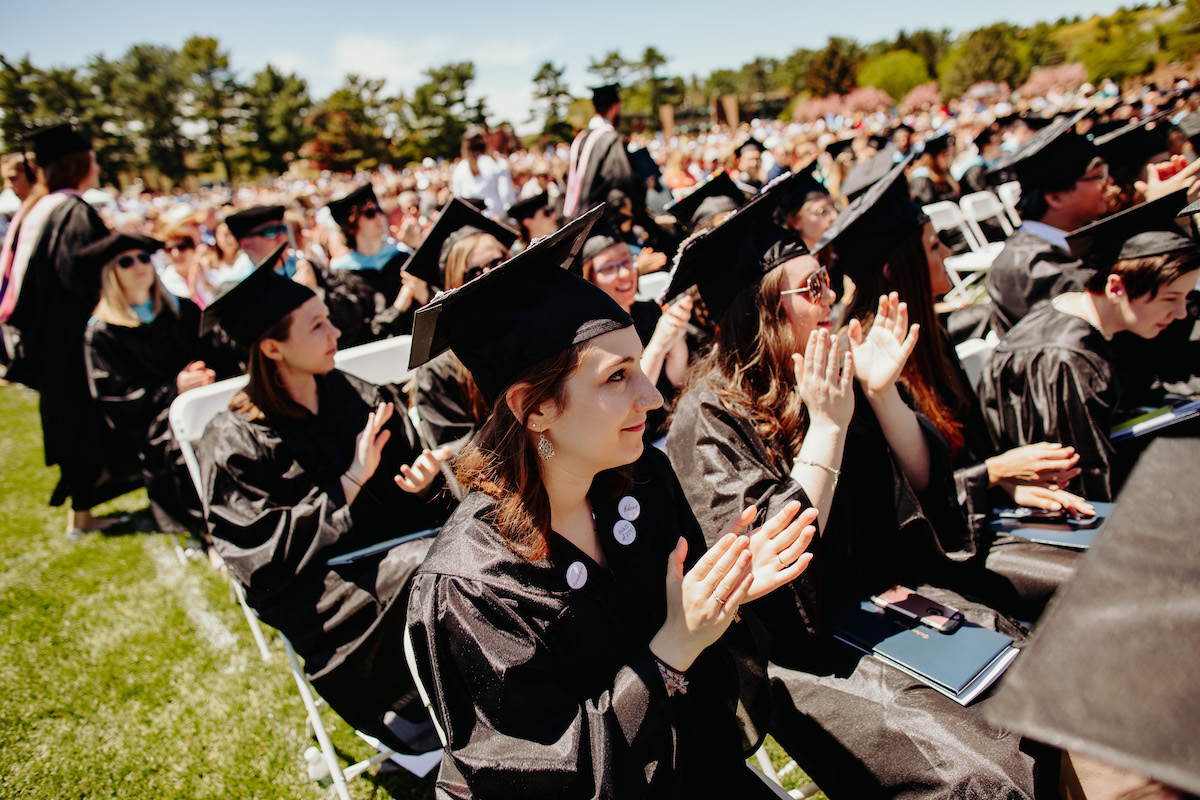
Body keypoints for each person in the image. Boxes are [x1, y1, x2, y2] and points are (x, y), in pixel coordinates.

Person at [405, 207, 818, 798]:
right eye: (617, 377)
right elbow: (537, 774)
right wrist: (674, 646)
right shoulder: (474, 585)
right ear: (535, 408)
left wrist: (722, 595)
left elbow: (707, 673)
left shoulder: (642, 478)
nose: (652, 398)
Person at [665, 165, 1040, 799]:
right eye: (811, 286)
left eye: (826, 280)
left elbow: (924, 489)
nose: (832, 295)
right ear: (764, 313)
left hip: (888, 599)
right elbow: (776, 576)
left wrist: (883, 393)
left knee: (1037, 679)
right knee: (975, 773)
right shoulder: (707, 418)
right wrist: (828, 427)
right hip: (806, 653)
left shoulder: (829, 371)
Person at [196, 245, 455, 755]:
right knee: (436, 568)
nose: (336, 333)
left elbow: (412, 507)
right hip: (323, 598)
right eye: (316, 326)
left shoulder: (360, 397)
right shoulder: (234, 440)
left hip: (397, 555)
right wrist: (352, 480)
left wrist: (422, 486)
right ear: (272, 348)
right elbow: (263, 564)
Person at [830, 160, 1091, 619]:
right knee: (1089, 580)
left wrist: (1005, 482)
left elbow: (966, 448)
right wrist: (990, 475)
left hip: (976, 519)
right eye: (933, 246)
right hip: (930, 558)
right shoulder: (861, 362)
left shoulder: (928, 332)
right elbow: (893, 506)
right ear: (896, 269)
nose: (948, 252)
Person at [978, 191, 1200, 503]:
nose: (1180, 313)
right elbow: (1087, 484)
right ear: (1116, 288)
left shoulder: (1080, 319)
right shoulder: (1066, 360)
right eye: (1170, 298)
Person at [4, 123, 141, 536]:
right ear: (79, 162)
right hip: (72, 346)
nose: (98, 164)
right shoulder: (71, 211)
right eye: (93, 157)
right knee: (85, 427)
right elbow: (82, 275)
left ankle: (80, 518)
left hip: (48, 344)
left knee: (75, 427)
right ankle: (81, 519)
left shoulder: (40, 208)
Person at [81, 233, 228, 537]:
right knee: (178, 449)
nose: (138, 266)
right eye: (126, 261)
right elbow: (117, 397)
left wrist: (205, 374)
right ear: (111, 273)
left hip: (204, 399)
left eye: (144, 258)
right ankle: (206, 530)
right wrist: (175, 388)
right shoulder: (103, 332)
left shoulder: (182, 311)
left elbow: (216, 351)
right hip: (153, 421)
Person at [983, 112, 1112, 336]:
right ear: (1055, 197)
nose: (1108, 183)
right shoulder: (1034, 267)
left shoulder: (1064, 241)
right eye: (1097, 175)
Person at [409, 197, 519, 458]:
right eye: (473, 274)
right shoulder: (439, 370)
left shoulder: (541, 329)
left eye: (497, 263)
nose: (490, 277)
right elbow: (461, 458)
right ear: (453, 285)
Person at [574, 228, 691, 441]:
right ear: (589, 278)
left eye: (627, 261)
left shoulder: (649, 311)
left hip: (673, 425)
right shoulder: (592, 338)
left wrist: (677, 332)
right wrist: (658, 345)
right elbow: (630, 399)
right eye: (609, 268)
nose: (625, 273)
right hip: (639, 441)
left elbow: (678, 379)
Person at [323, 183, 427, 346]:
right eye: (370, 213)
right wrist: (399, 305)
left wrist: (425, 296)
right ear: (351, 224)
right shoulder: (341, 275)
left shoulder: (402, 258)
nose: (379, 217)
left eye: (379, 210)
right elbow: (357, 334)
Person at [450, 127, 516, 218]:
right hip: (497, 219)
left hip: (472, 221)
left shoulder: (459, 169)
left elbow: (458, 197)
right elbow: (506, 194)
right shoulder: (497, 163)